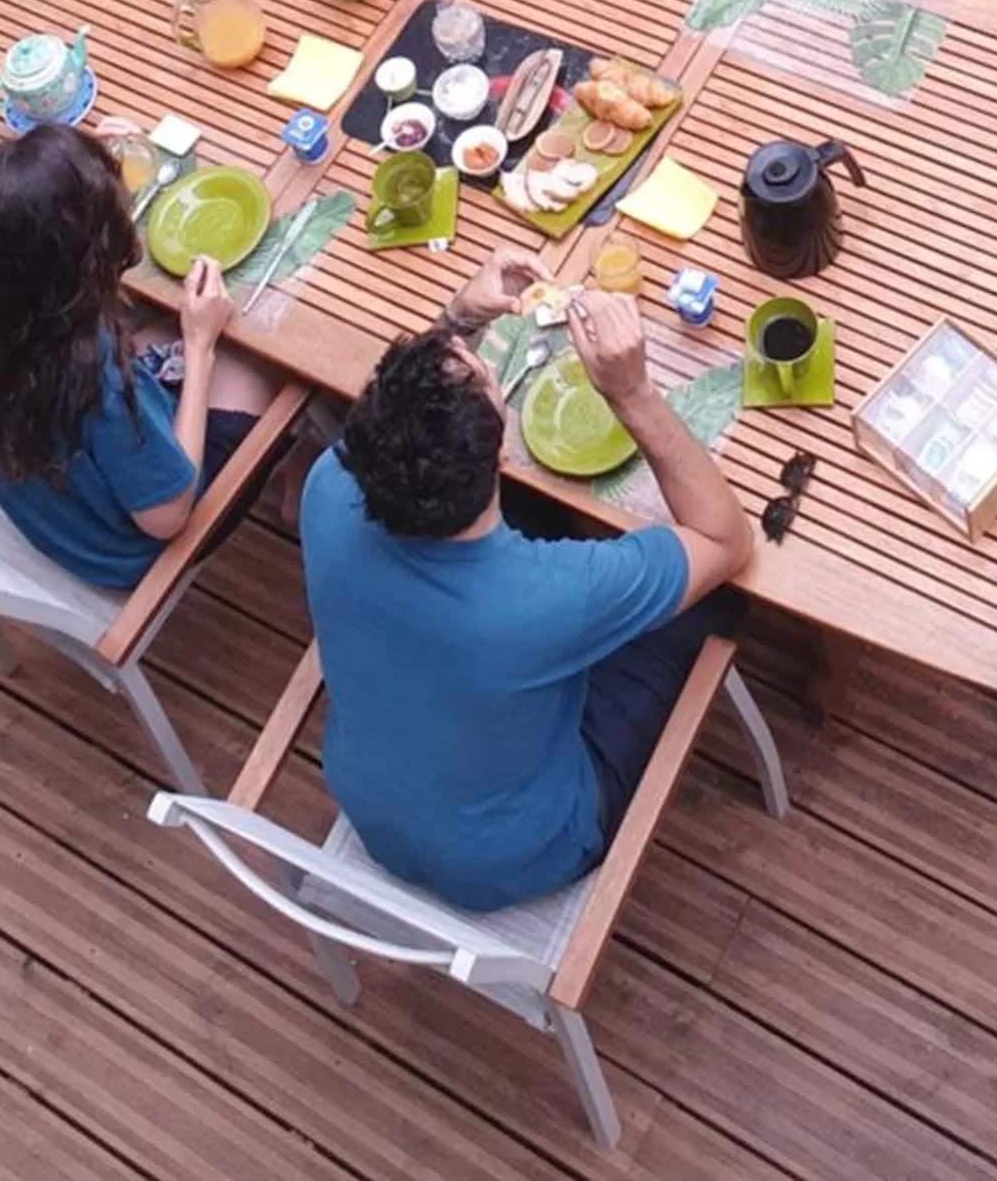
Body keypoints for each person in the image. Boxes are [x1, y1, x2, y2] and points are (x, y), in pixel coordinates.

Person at [300, 251, 756, 911]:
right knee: (717, 600)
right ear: (499, 454)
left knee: (554, 524)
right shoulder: (538, 598)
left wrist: (457, 318)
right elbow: (724, 540)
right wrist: (630, 392)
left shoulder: (328, 487)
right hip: (521, 854)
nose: (477, 362)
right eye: (487, 378)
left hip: (373, 803)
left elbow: (382, 413)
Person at [0, 123, 283, 592]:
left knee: (163, 323)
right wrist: (199, 348)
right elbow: (168, 516)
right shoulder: (93, 377)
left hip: (48, 488)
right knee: (262, 356)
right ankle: (293, 482)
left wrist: (72, 159)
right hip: (117, 546)